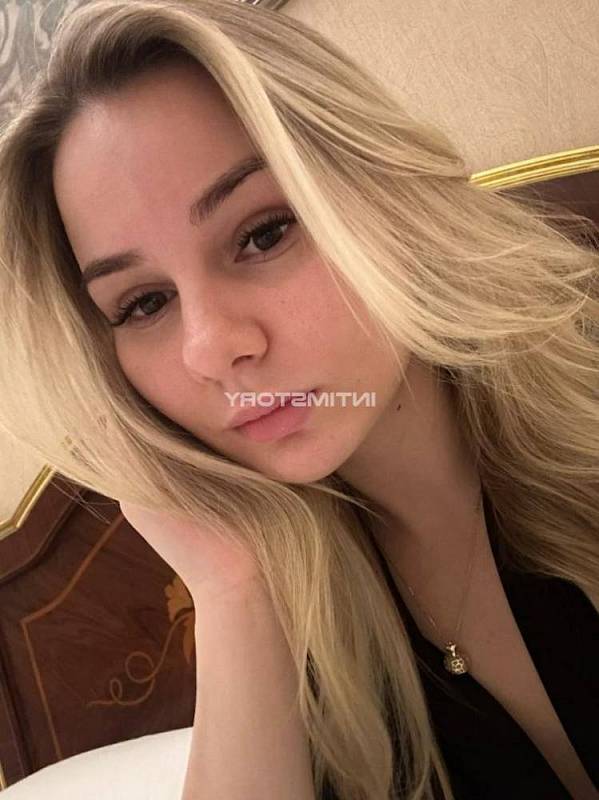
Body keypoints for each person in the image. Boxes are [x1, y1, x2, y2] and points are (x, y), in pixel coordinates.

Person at [0, 1, 597, 798]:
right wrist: (231, 592)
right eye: (143, 304)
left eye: (263, 233)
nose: (209, 347)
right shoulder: (301, 618)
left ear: (383, 193)